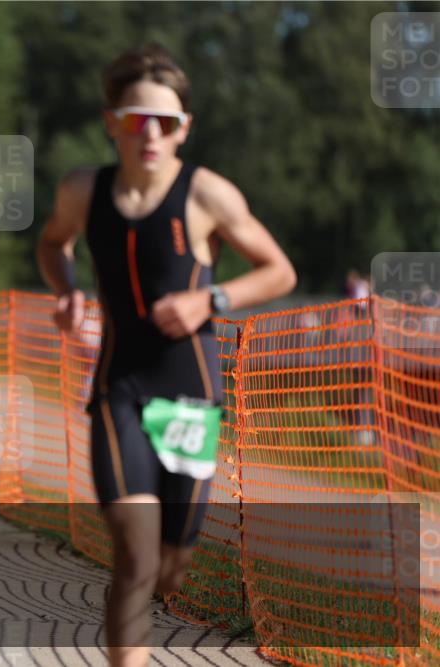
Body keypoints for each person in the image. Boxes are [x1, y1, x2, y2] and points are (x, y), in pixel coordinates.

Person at [36, 44, 296, 666]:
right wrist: (68, 292)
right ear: (111, 123)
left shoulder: (206, 194)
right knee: (135, 553)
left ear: (184, 130)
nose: (149, 134)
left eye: (166, 122)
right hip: (118, 387)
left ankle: (165, 578)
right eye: (134, 119)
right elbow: (53, 244)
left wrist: (211, 299)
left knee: (172, 563)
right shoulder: (82, 190)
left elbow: (279, 270)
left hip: (188, 393)